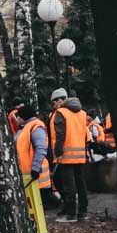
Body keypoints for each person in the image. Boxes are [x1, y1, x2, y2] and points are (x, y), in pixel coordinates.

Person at [48, 88, 89, 222]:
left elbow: (60, 135)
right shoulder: (82, 113)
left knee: (68, 185)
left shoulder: (61, 113)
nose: (53, 107)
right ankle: (83, 211)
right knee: (80, 183)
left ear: (60, 100)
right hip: (80, 154)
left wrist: (58, 153)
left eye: (54, 103)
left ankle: (70, 214)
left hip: (66, 155)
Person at [14, 105, 52, 201]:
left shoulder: (35, 127)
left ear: (24, 117)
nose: (16, 119)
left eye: (18, 116)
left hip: (35, 174)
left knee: (41, 202)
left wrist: (35, 168)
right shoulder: (24, 128)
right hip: (28, 175)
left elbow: (41, 148)